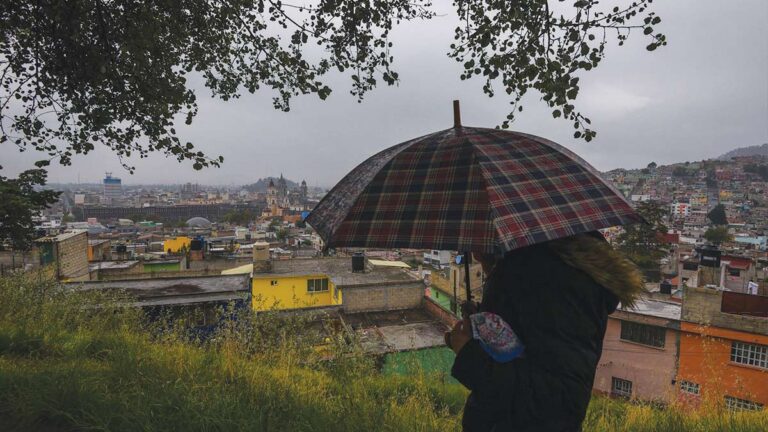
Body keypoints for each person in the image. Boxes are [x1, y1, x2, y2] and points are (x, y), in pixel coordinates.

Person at [446, 232, 644, 432]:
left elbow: (553, 402)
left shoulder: (536, 277)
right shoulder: (555, 274)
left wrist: (468, 354)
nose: (474, 252)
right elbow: (530, 346)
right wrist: (485, 321)